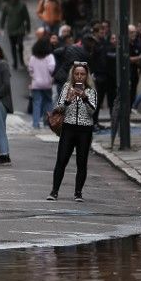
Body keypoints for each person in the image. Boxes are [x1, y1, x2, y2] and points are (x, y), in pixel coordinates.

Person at [47, 62, 97, 202]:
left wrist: (84, 98)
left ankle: (78, 193)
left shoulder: (91, 91)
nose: (79, 77)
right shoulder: (66, 87)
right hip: (68, 127)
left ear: (86, 76)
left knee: (82, 162)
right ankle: (54, 191)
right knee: (61, 160)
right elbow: (58, 109)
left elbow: (92, 111)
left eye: (82, 74)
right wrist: (68, 100)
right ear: (73, 75)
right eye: (77, 74)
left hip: (85, 130)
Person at [27, 38, 56, 130]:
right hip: (47, 83)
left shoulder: (33, 57)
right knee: (48, 102)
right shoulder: (50, 57)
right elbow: (52, 69)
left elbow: (30, 70)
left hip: (36, 83)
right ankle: (47, 122)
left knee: (36, 103)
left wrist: (34, 76)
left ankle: (36, 123)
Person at [0, 0, 31, 69]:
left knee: (20, 45)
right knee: (12, 46)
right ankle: (15, 62)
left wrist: (28, 28)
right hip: (11, 28)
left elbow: (26, 17)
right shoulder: (7, 5)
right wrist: (1, 27)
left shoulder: (22, 5)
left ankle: (22, 61)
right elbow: (3, 16)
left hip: (20, 28)